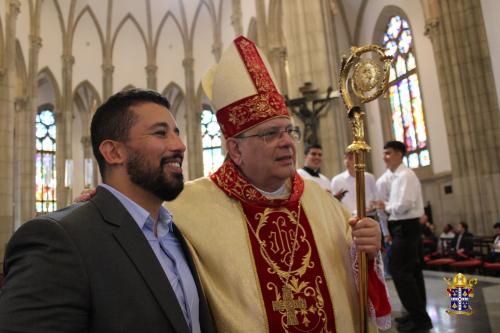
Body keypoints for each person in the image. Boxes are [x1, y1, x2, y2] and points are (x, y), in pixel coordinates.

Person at [168, 36, 391, 332]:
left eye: (288, 130)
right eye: (270, 134)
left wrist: (368, 249)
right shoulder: (186, 208)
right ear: (235, 149)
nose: (286, 142)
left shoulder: (322, 203)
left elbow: (356, 288)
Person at [0, 89, 215, 333]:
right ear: (113, 152)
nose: (180, 145)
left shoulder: (177, 234)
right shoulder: (58, 239)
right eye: (160, 133)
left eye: (176, 133)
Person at [375, 140, 432, 332]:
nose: (384, 157)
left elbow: (404, 204)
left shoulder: (406, 175)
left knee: (400, 272)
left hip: (407, 226)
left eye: (388, 153)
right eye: (384, 153)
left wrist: (385, 206)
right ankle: (415, 313)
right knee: (412, 272)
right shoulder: (390, 177)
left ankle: (420, 319)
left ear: (399, 154)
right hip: (401, 226)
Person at [331, 151, 378, 216]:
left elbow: (375, 198)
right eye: (345, 158)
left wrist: (371, 207)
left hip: (368, 215)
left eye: (350, 158)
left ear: (359, 160)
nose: (346, 161)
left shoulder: (369, 177)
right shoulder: (337, 180)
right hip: (349, 217)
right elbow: (334, 203)